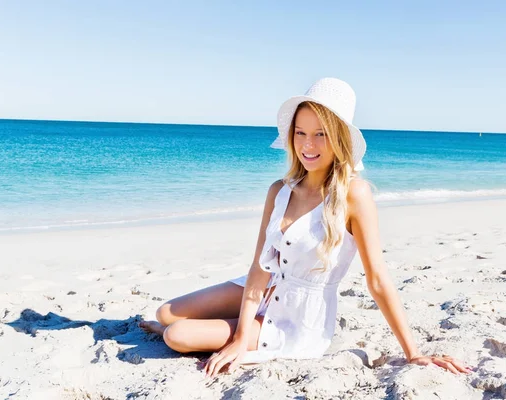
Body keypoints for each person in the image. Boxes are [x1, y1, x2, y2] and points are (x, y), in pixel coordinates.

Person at [140, 78, 472, 377]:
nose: (307, 145)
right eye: (300, 132)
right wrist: (241, 335)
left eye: (320, 134)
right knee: (167, 313)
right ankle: (231, 328)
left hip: (298, 315)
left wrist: (413, 354)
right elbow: (258, 266)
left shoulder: (355, 194)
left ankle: (227, 332)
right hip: (265, 287)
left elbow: (377, 278)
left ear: (339, 138)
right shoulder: (280, 190)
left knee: (176, 335)